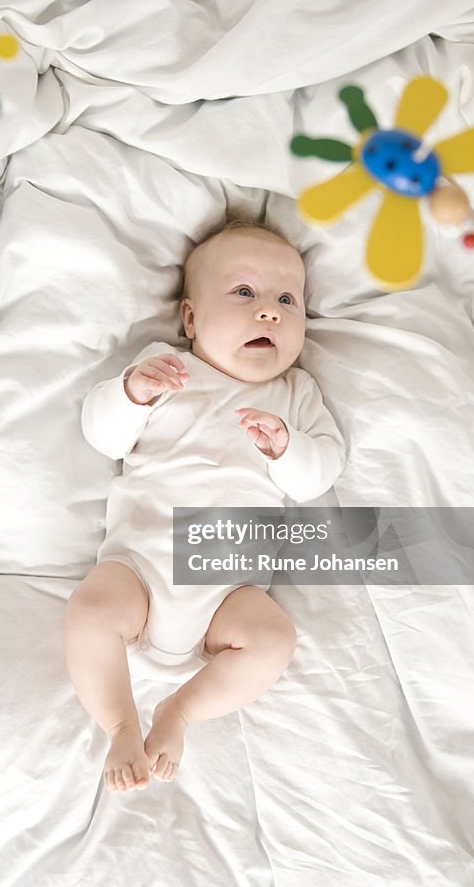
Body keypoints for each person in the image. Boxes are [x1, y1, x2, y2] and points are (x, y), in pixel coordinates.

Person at [65, 219, 345, 792]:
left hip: (227, 592)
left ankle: (180, 712)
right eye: (244, 292)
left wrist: (287, 448)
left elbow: (320, 474)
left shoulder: (296, 395)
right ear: (191, 318)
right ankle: (120, 723)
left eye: (286, 299)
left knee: (273, 641)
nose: (269, 311)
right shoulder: (169, 369)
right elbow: (104, 435)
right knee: (90, 611)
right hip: (139, 569)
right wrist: (131, 392)